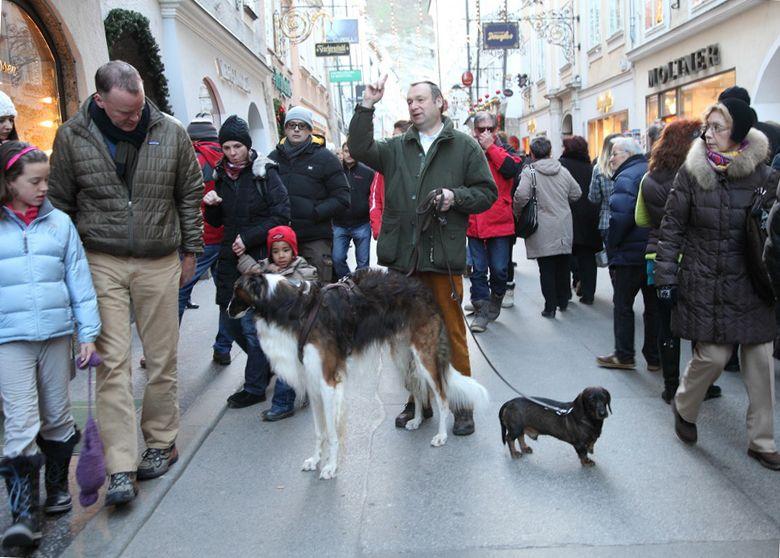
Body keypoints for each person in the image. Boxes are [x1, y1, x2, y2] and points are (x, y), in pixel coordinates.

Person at [47, 60, 203, 505]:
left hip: (159, 259)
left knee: (161, 359)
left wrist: (190, 250)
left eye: (137, 110)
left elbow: (189, 193)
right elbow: (60, 204)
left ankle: (160, 442)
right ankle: (119, 466)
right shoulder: (72, 137)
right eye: (123, 114)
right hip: (101, 259)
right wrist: (68, 266)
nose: (133, 119)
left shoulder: (170, 130)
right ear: (99, 101)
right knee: (111, 362)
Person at [348, 76, 497, 435]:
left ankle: (461, 405)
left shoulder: (463, 146)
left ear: (440, 102)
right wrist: (366, 104)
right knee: (405, 335)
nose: (413, 106)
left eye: (420, 100)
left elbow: (486, 193)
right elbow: (359, 146)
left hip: (442, 256)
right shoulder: (397, 147)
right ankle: (418, 400)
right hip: (403, 258)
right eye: (409, 101)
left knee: (451, 331)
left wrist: (454, 197)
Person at [657, 99, 780, 470]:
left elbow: (771, 232)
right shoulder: (691, 173)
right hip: (705, 279)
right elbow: (672, 229)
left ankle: (762, 441)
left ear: (738, 133)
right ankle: (685, 405)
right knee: (712, 356)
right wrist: (665, 277)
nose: (707, 135)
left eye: (717, 128)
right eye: (706, 127)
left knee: (759, 362)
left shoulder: (763, 175)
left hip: (752, 281)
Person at [0, 142, 101, 546]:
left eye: (47, 180)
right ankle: (24, 513)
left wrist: (88, 333)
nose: (44, 188)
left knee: (58, 416)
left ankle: (58, 488)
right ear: (9, 183)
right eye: (35, 181)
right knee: (20, 422)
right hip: (10, 340)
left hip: (56, 335)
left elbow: (79, 280)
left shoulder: (59, 224)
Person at [202, 115, 292, 416]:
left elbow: (281, 214)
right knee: (230, 322)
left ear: (247, 146)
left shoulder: (264, 173)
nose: (231, 153)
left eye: (236, 146)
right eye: (226, 147)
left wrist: (249, 236)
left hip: (257, 262)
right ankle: (262, 367)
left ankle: (254, 386)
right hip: (229, 261)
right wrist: (211, 206)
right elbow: (218, 221)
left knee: (252, 328)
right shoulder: (221, 173)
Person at [635, 119, 722, 403]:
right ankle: (701, 386)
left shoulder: (648, 178)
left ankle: (670, 386)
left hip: (656, 258)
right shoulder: (698, 175)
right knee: (698, 326)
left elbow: (641, 219)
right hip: (692, 258)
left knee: (665, 324)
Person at [596, 137, 659, 371]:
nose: (611, 158)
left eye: (615, 153)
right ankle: (654, 357)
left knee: (623, 304)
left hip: (629, 253)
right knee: (652, 307)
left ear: (629, 154)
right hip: (652, 249)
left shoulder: (626, 176)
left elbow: (621, 216)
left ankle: (624, 354)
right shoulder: (650, 170)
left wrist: (612, 246)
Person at [268, 106, 349, 284]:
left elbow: (343, 197)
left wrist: (315, 212)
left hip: (315, 238)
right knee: (284, 298)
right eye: (291, 125)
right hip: (282, 241)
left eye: (301, 125)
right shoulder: (273, 158)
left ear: (309, 130)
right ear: (285, 128)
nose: (296, 129)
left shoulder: (326, 158)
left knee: (318, 295)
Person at [178, 113, 234, 365]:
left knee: (180, 291)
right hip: (223, 236)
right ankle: (223, 346)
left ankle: (163, 348)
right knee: (226, 294)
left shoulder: (186, 159)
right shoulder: (227, 158)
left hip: (197, 237)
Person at [513, 136, 581, 318]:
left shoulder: (530, 172)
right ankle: (563, 299)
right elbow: (577, 193)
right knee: (563, 265)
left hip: (541, 227)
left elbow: (521, 196)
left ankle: (550, 307)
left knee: (547, 269)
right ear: (550, 152)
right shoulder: (563, 170)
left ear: (532, 154)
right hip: (563, 225)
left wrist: (518, 213)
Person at [467, 111, 522, 332]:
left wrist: (491, 148)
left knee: (499, 269)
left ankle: (497, 296)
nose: (486, 133)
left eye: (491, 129)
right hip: (475, 220)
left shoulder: (506, 150)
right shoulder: (468, 151)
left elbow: (511, 170)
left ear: (496, 129)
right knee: (478, 270)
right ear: (475, 131)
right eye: (482, 129)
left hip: (500, 220)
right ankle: (481, 310)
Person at [559, 136, 599, 304]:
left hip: (567, 216)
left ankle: (566, 292)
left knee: (565, 257)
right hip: (590, 217)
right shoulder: (591, 168)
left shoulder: (561, 166)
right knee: (588, 257)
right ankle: (588, 293)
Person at [332, 141, 374, 279]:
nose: (348, 154)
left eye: (351, 151)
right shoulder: (335, 171)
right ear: (342, 153)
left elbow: (373, 196)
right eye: (345, 151)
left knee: (363, 264)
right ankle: (348, 283)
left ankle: (360, 289)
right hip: (339, 224)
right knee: (337, 259)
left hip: (362, 224)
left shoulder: (368, 172)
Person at [369, 120, 410, 240]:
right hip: (388, 233)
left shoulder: (419, 163)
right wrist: (378, 229)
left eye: (396, 137)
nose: (393, 140)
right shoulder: (384, 165)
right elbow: (375, 199)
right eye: (393, 136)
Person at [237, 225, 318, 280]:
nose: (281, 255)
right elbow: (253, 272)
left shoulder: (302, 267)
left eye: (286, 250)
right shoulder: (266, 266)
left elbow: (297, 283)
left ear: (293, 251)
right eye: (275, 252)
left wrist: (274, 275)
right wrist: (241, 256)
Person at [588, 133, 621, 242]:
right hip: (628, 220)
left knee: (609, 256)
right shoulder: (626, 166)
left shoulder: (598, 169)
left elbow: (594, 198)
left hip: (606, 220)